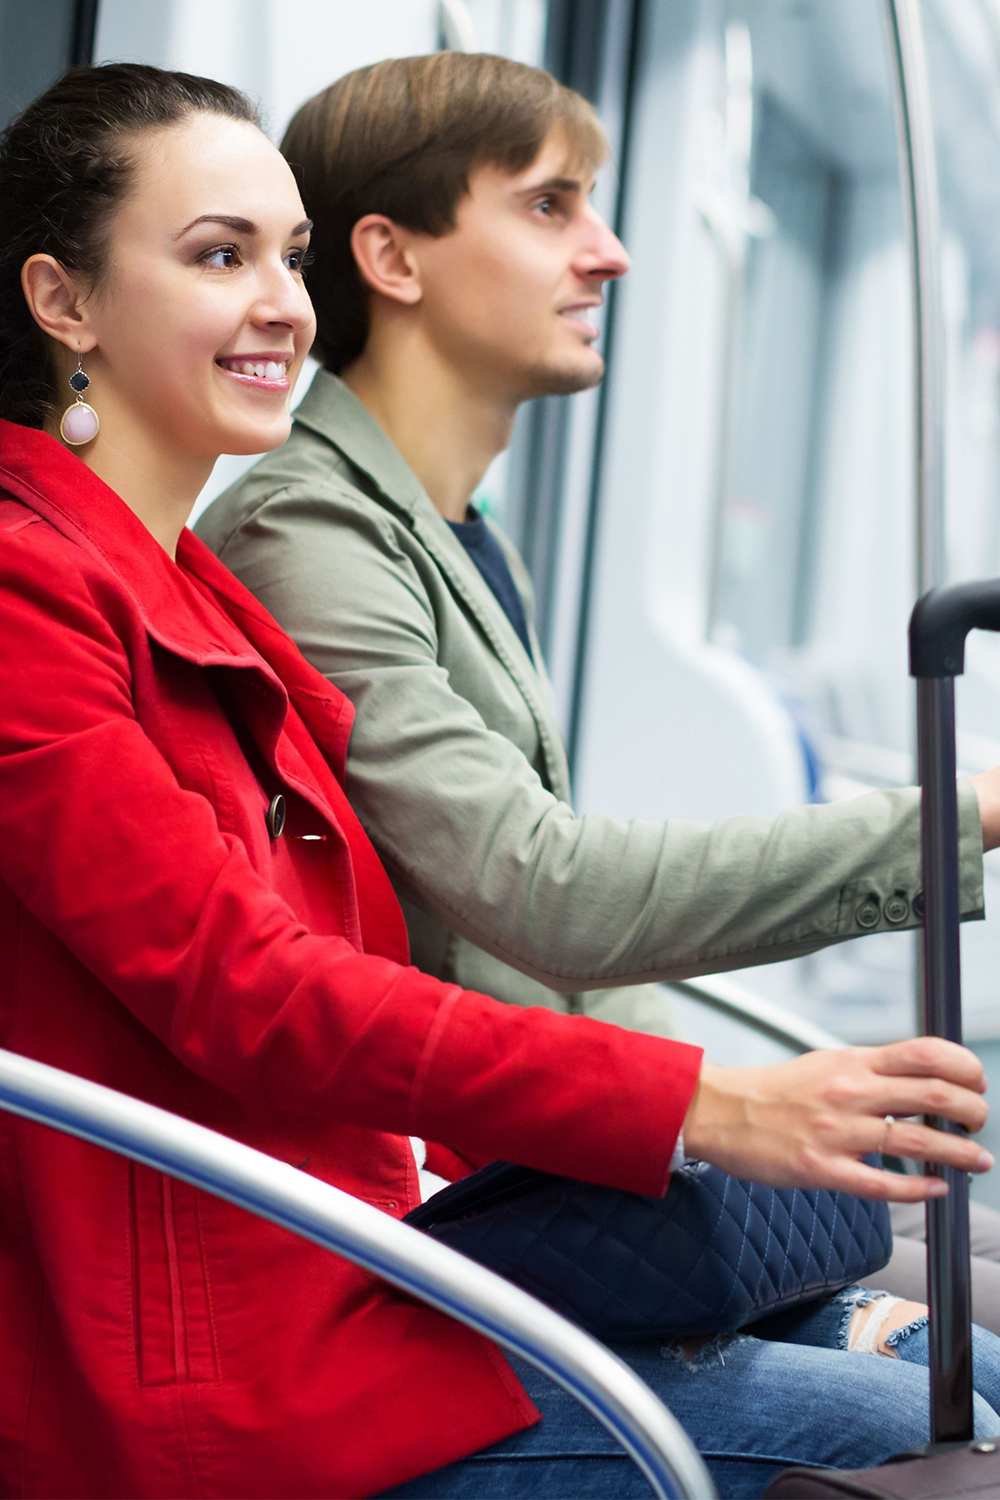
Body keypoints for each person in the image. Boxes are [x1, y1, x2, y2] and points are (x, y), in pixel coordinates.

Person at [1, 60, 999, 1500]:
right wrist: (702, 1109)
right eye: (220, 256)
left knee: (921, 1373)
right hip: (228, 1365)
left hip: (353, 1268)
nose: (285, 301)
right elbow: (251, 984)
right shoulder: (37, 592)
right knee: (903, 1444)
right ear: (64, 301)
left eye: (287, 254)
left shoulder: (209, 594)